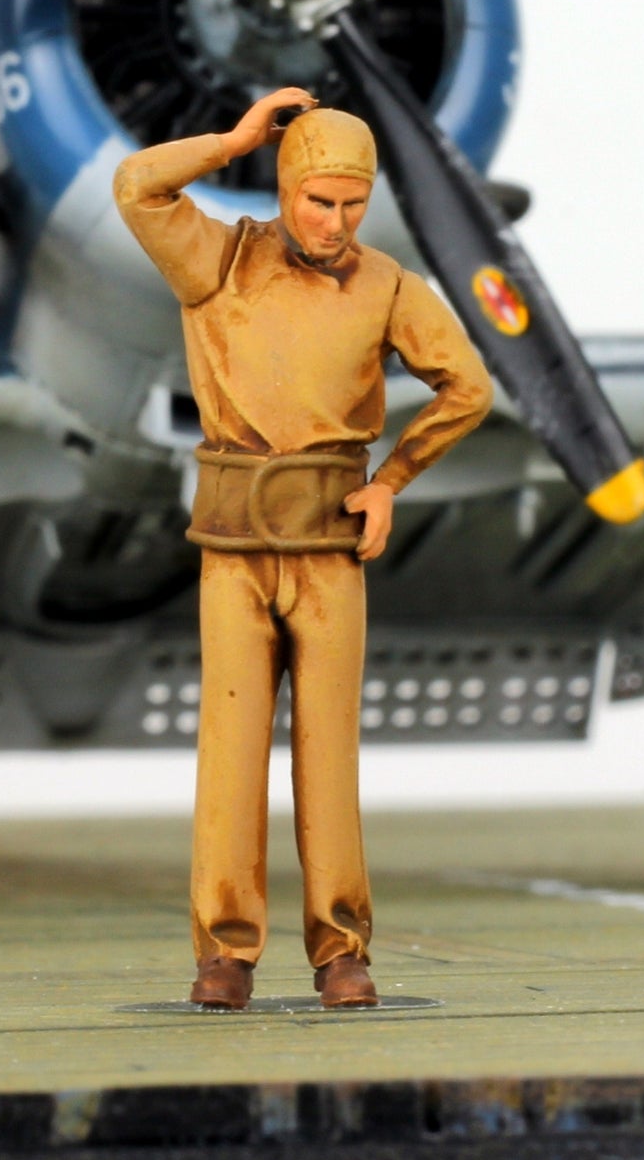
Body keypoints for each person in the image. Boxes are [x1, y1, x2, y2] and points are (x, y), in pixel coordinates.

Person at [113, 85, 493, 1010]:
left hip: (329, 546)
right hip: (236, 546)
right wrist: (233, 139)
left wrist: (391, 480)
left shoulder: (388, 285)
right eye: (319, 200)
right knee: (230, 756)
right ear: (285, 187)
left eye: (354, 203)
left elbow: (468, 387)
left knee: (330, 760)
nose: (335, 220)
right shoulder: (217, 260)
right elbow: (135, 187)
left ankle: (342, 950)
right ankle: (224, 953)